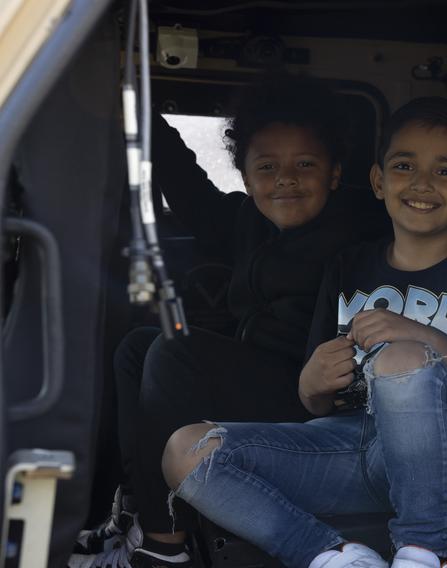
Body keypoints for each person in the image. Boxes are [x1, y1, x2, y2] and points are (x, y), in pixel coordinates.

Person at [158, 97, 447, 568]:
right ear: (378, 181)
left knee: (400, 359)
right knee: (185, 451)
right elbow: (316, 401)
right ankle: (332, 557)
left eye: (445, 172)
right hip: (350, 451)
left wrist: (423, 338)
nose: (421, 183)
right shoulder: (349, 265)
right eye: (404, 166)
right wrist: (311, 381)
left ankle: (424, 552)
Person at [70, 75, 364, 568]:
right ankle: (138, 512)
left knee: (173, 349)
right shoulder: (245, 221)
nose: (286, 179)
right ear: (246, 179)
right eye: (267, 167)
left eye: (305, 165)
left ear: (335, 174)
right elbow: (187, 187)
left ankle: (165, 548)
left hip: (312, 392)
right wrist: (139, 110)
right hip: (257, 374)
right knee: (139, 345)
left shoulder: (358, 229)